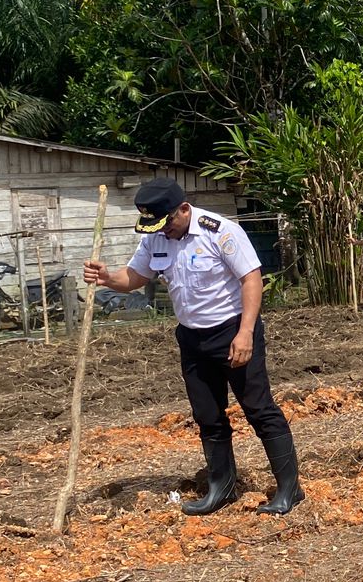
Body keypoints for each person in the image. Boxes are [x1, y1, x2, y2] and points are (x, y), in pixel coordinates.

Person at [83, 178, 302, 515]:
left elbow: (251, 279)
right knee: (208, 416)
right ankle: (221, 487)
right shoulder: (157, 237)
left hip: (232, 332)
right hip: (192, 338)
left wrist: (245, 333)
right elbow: (135, 277)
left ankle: (289, 488)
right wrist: (107, 277)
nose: (164, 230)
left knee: (259, 409)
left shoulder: (221, 232)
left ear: (184, 209)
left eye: (167, 221)